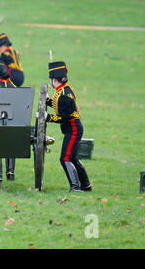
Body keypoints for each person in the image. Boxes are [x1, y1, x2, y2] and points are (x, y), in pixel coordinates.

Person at [45, 61, 92, 192]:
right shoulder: (64, 88)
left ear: (54, 80)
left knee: (65, 158)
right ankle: (86, 185)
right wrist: (48, 101)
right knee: (73, 158)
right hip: (72, 128)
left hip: (73, 128)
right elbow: (58, 105)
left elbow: (64, 117)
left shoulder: (63, 95)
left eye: (51, 80)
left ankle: (75, 187)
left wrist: (47, 117)